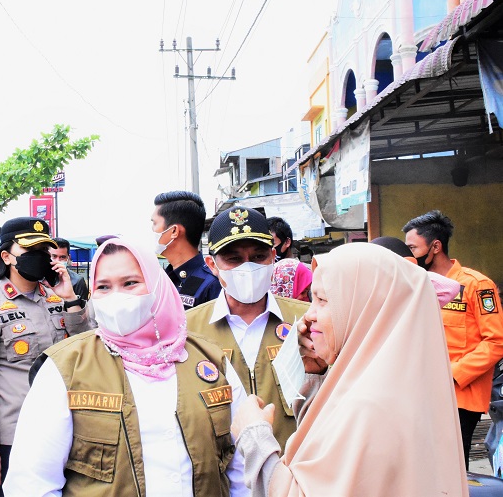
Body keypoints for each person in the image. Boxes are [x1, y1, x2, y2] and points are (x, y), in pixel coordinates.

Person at [4, 237, 249, 496]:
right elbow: (32, 483)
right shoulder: (66, 367)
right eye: (104, 287)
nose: (117, 296)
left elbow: (242, 471)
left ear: (157, 286)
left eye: (130, 283)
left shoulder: (209, 360)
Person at [231, 243, 468, 496]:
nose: (309, 315)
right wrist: (316, 376)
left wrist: (253, 436)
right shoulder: (390, 382)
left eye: (322, 300)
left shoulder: (368, 405)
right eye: (312, 299)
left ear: (366, 309)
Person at [0, 217, 93, 496]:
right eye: (30, 252)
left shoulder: (59, 297)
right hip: (16, 434)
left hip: (66, 427)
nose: (39, 259)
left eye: (43, 253)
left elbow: (86, 349)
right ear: (7, 256)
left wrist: (70, 299)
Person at [185, 207, 310, 452]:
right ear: (212, 264)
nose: (248, 267)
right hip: (223, 476)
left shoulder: (305, 318)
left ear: (273, 256)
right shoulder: (188, 329)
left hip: (291, 471)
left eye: (258, 257)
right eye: (234, 259)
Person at [404, 210, 503, 468]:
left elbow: (496, 342)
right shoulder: (416, 284)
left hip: (459, 396)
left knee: (451, 469)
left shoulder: (476, 285)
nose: (409, 255)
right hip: (421, 391)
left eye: (413, 247)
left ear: (435, 246)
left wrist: (451, 374)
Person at [151, 190, 221, 309]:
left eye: (154, 223)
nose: (152, 230)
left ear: (174, 231)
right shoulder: (162, 280)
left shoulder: (211, 284)